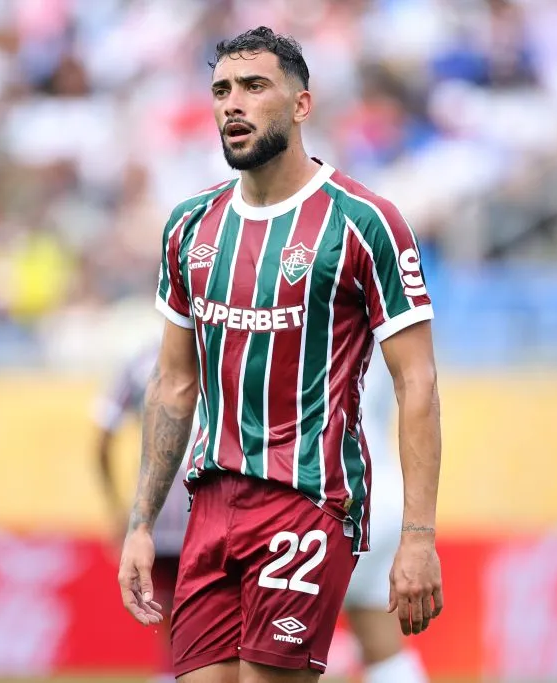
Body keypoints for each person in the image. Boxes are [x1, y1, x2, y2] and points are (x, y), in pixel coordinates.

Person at [117, 26, 444, 683]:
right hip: (210, 507)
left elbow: (418, 382)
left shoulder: (362, 222)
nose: (232, 104)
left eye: (254, 87)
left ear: (301, 105)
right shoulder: (190, 227)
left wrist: (418, 534)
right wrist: (141, 522)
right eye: (221, 90)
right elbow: (174, 382)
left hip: (306, 501)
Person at [93, 342, 195, 682]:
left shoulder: (139, 363)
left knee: (167, 624)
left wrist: (120, 508)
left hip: (158, 513)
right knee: (211, 624)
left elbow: (102, 437)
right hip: (213, 510)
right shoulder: (226, 347)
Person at [340, 349, 429, 683]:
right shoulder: (384, 331)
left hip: (337, 494)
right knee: (380, 643)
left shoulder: (324, 320)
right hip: (382, 491)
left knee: (279, 645)